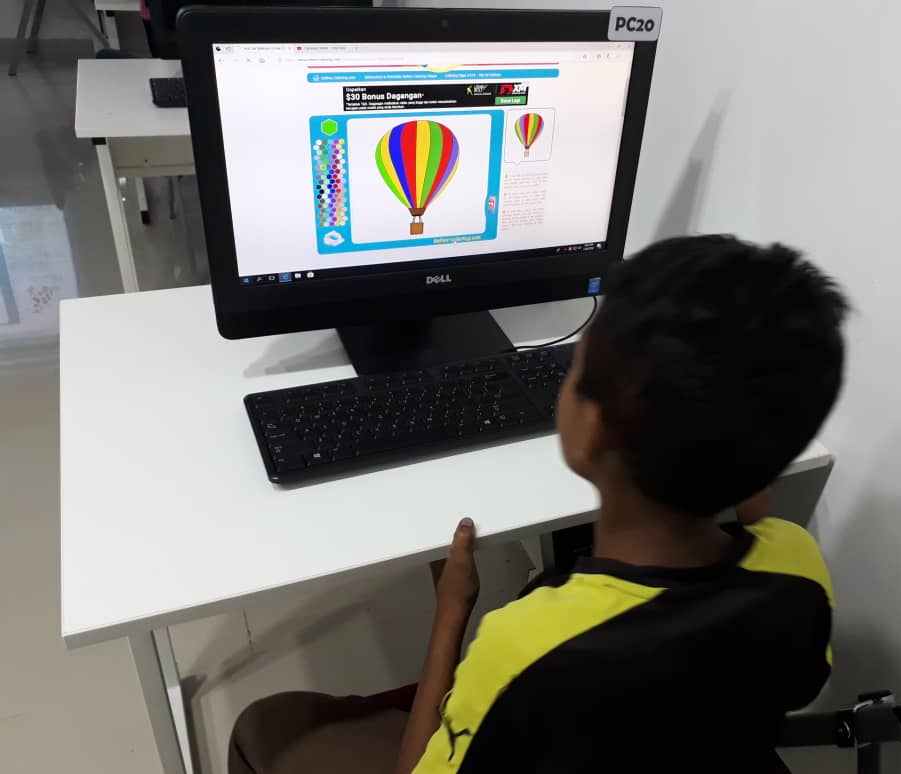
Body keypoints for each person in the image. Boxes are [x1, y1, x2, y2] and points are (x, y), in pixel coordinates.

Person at [228, 234, 849, 774]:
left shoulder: (524, 647)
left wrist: (451, 611)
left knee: (265, 724)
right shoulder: (798, 572)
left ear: (592, 425)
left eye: (573, 368)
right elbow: (790, 627)